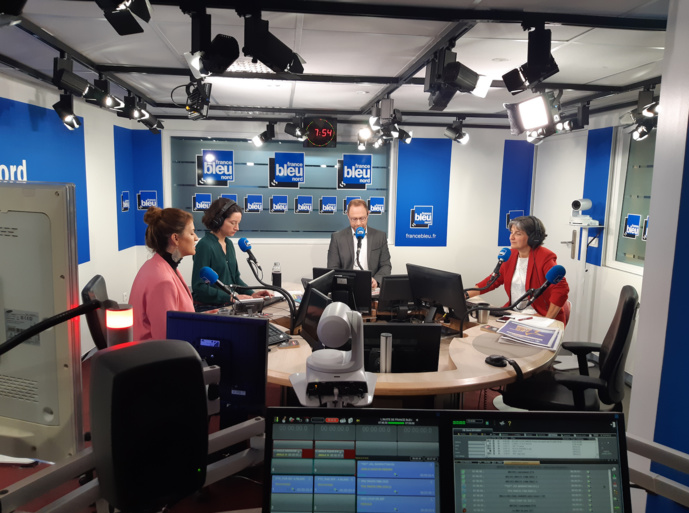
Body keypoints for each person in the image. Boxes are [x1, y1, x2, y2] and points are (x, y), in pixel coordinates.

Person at [468, 215, 570, 324]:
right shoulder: (511, 255)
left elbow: (561, 289)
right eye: (511, 232)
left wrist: (547, 319)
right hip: (514, 314)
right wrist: (464, 295)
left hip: (538, 316)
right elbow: (492, 281)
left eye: (518, 233)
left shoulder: (544, 256)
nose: (511, 237)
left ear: (533, 237)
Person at [130, 207, 198, 341]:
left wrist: (204, 318)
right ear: (176, 238)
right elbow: (166, 338)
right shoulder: (163, 281)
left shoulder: (159, 265)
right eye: (191, 233)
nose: (195, 238)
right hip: (158, 353)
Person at [192, 197, 271, 308]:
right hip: (209, 308)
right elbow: (199, 287)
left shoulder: (229, 244)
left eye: (238, 223)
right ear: (218, 220)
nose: (237, 228)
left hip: (228, 305)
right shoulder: (205, 246)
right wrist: (230, 297)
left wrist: (252, 294)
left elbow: (235, 279)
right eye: (233, 223)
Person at [327, 198, 392, 289]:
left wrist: (376, 281)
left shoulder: (380, 237)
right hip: (347, 289)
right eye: (354, 219)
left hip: (371, 289)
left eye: (362, 218)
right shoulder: (337, 238)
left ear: (368, 214)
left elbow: (386, 265)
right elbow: (332, 268)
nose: (358, 223)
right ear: (348, 216)